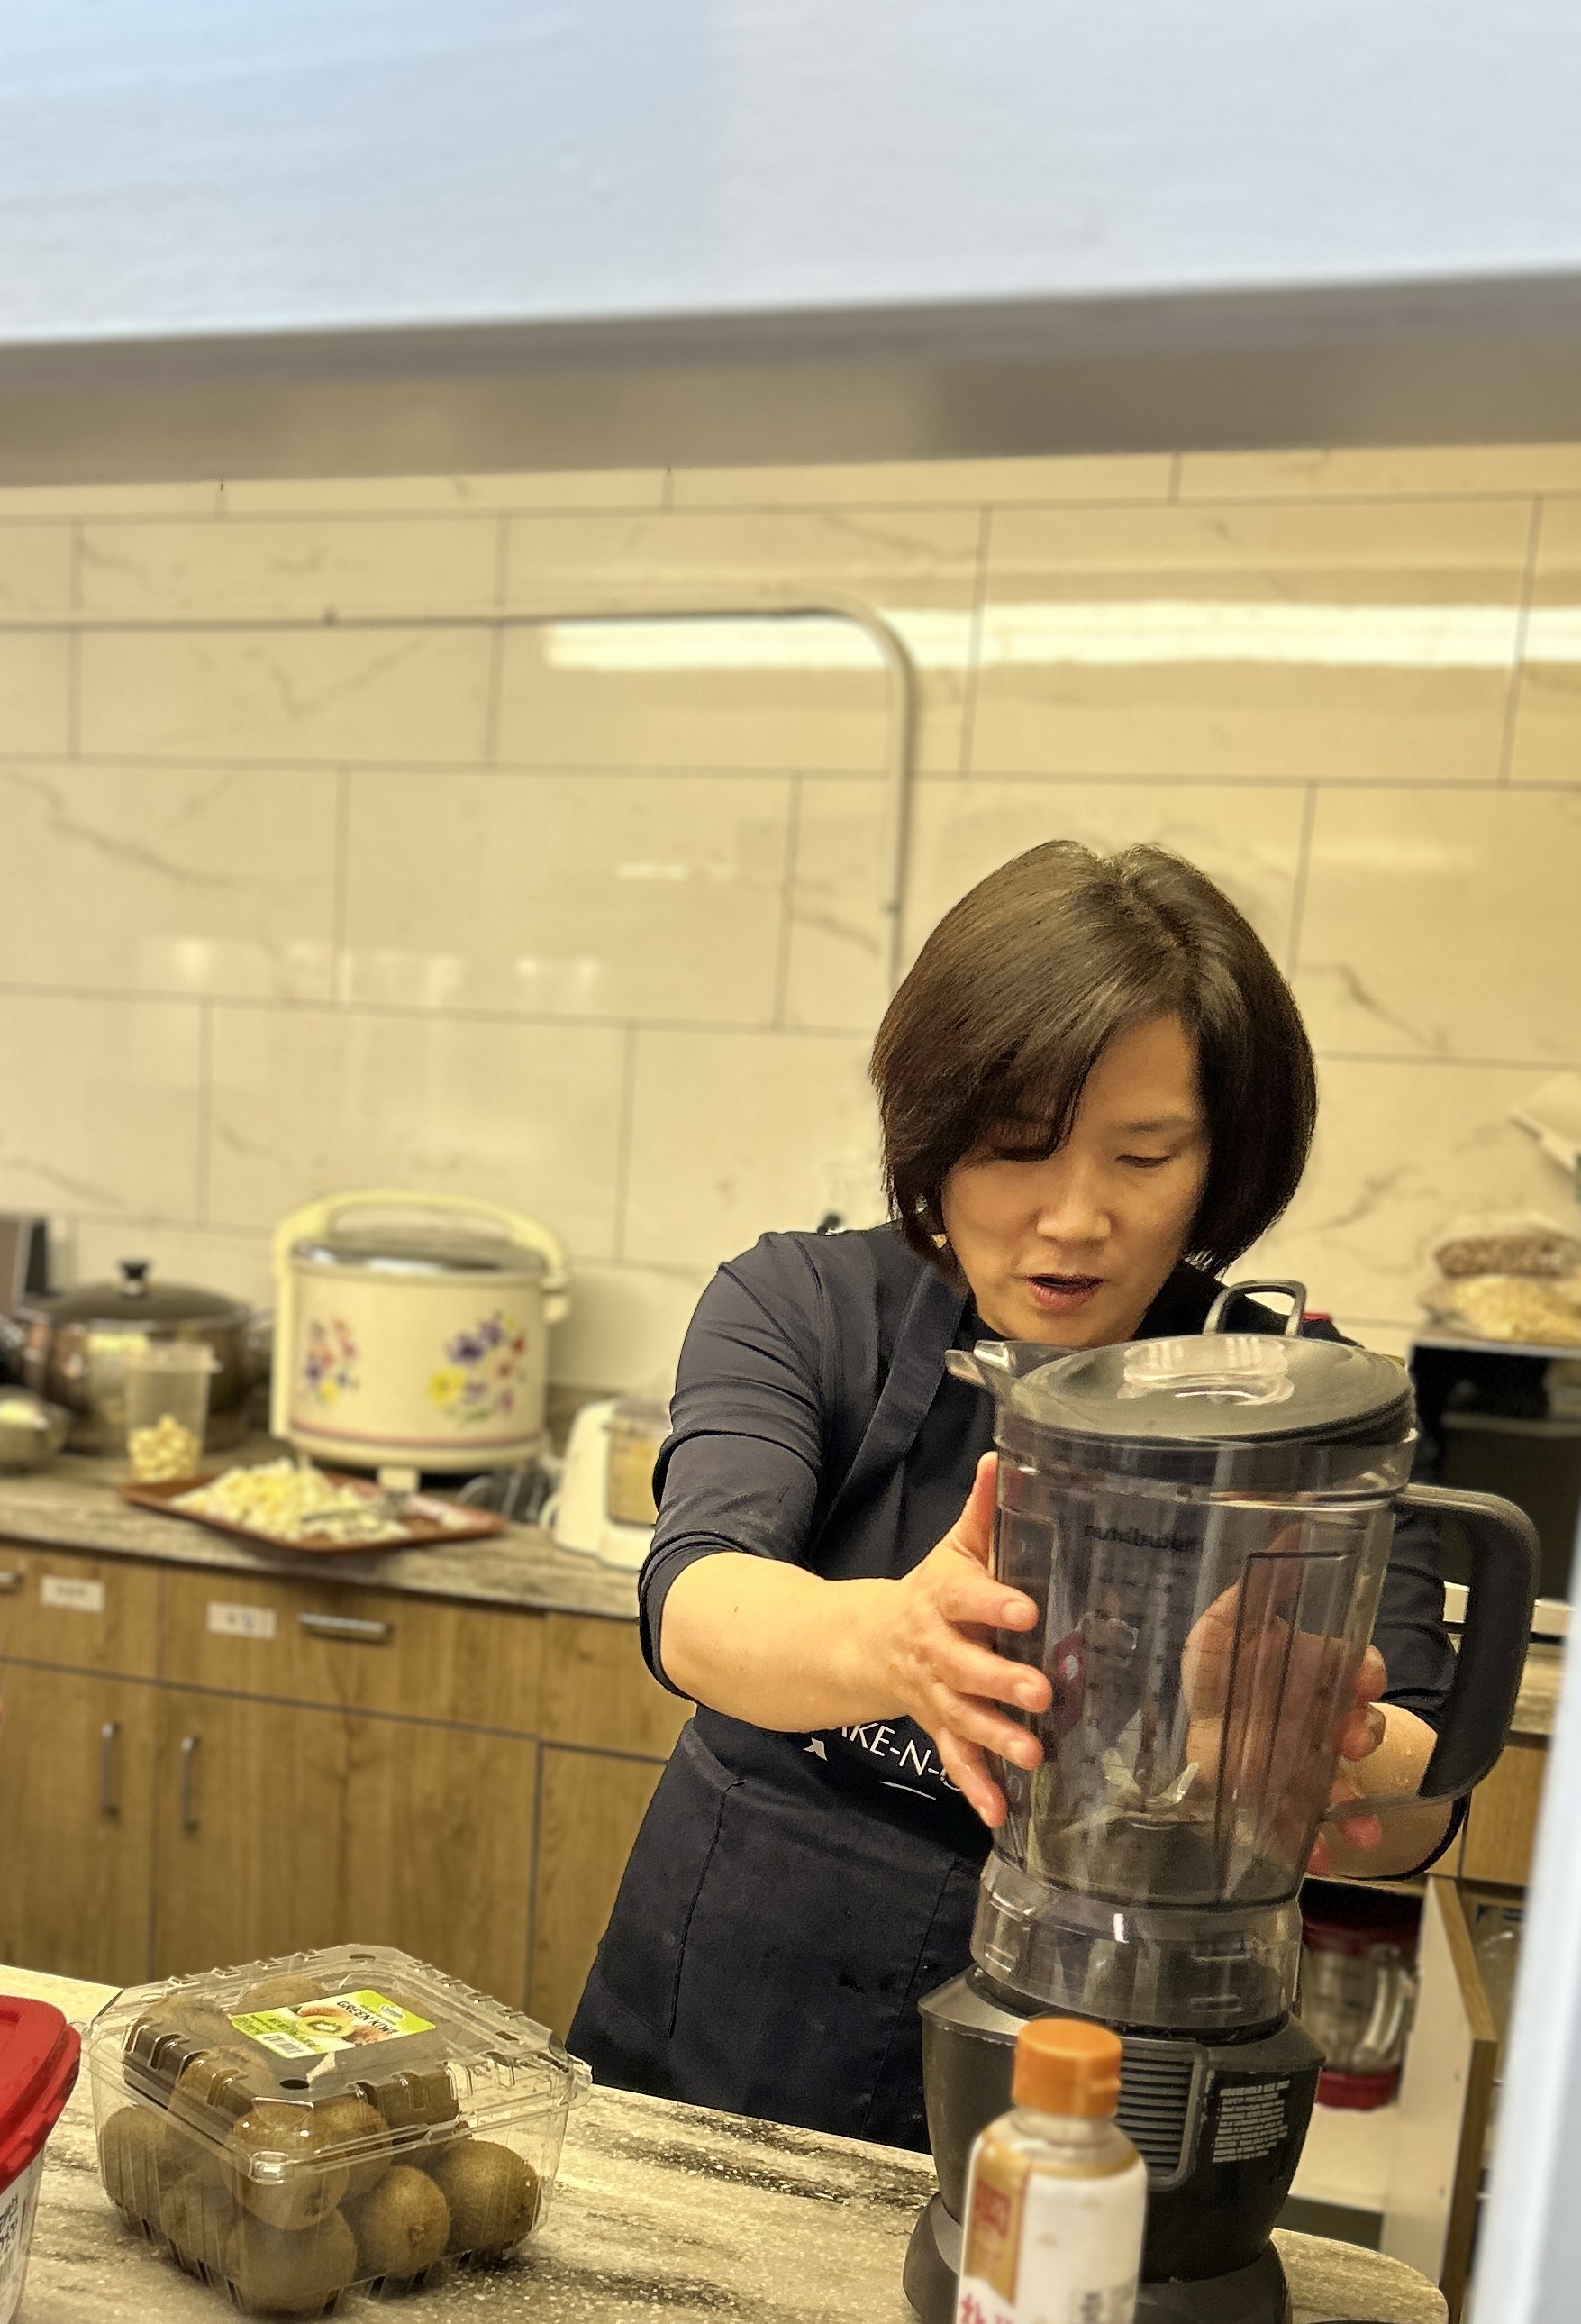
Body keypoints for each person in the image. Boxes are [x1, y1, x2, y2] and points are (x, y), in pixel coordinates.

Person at [568, 843, 1458, 2152]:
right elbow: (697, 1604)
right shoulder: (803, 1305)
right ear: (933, 1136)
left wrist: (1302, 1751)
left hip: (1100, 2085)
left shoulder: (1304, 1410)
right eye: (1013, 1149)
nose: (1074, 1218)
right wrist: (896, 1643)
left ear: (1221, 1160)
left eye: (1143, 1157)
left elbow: (1422, 1801)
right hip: (717, 2040)